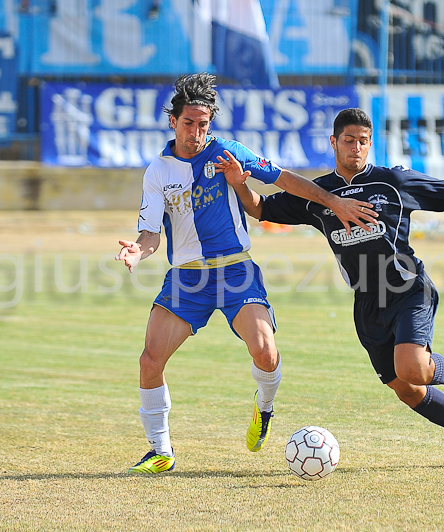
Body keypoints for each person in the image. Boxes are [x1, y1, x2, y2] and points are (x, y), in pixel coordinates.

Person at [216, 108, 444, 467]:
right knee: (406, 389)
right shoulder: (318, 193)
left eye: (363, 141)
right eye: (348, 140)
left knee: (413, 368)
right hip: (367, 303)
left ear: (370, 144)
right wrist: (238, 182)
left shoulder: (392, 182)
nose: (356, 147)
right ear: (333, 142)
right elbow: (260, 208)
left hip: (408, 288)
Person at [115, 76, 373, 474]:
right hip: (187, 277)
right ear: (172, 121)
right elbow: (151, 235)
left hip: (235, 270)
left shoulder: (228, 153)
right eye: (189, 123)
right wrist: (137, 250)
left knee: (265, 353)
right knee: (150, 360)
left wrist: (332, 201)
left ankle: (264, 408)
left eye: (203, 124)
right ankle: (160, 450)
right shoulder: (157, 172)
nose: (197, 133)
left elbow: (284, 179)